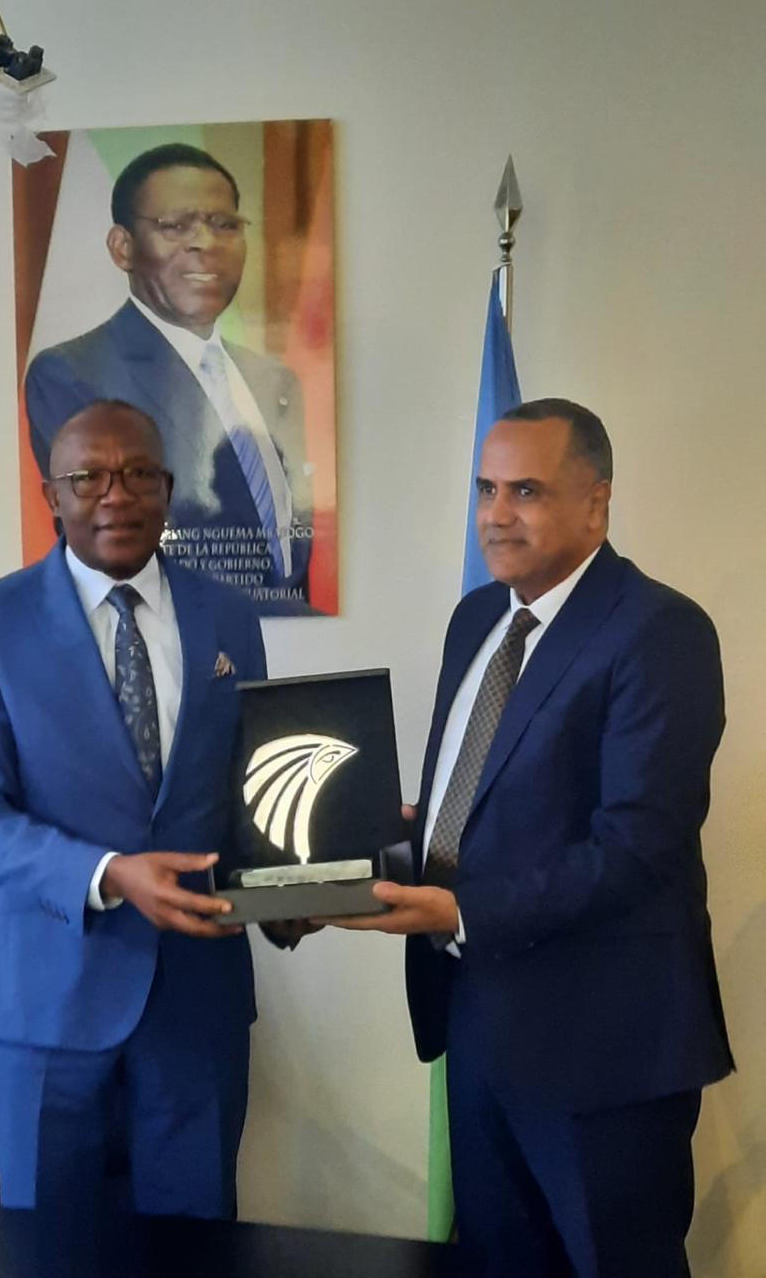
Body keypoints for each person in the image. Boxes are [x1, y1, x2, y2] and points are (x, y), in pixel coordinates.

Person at [327, 400, 733, 1276]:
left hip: (605, 1050)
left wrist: (458, 909)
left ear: (597, 504)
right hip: (478, 1023)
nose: (496, 514)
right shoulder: (477, 618)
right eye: (485, 489)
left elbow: (636, 847)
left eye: (526, 491)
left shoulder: (659, 631)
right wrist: (384, 838)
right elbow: (481, 799)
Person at [0, 399, 276, 1218]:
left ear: (168, 489)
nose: (115, 495)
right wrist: (109, 874)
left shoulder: (229, 616)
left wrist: (301, 876)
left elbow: (247, 785)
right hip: (45, 996)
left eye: (138, 474)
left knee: (195, 1244)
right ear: (52, 495)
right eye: (88, 477)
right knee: (44, 1251)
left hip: (197, 996)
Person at [24, 143, 314, 613]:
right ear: (123, 248)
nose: (205, 243)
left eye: (224, 224)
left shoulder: (275, 380)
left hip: (278, 630)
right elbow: (105, 533)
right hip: (171, 632)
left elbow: (293, 527)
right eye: (176, 225)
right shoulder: (74, 371)